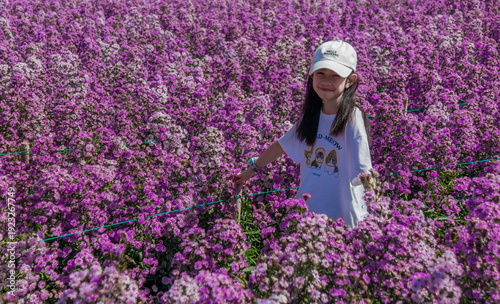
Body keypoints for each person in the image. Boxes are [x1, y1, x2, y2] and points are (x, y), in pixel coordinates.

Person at [234, 40, 373, 229]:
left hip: (343, 220)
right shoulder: (312, 116)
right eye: (320, 73)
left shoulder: (352, 119)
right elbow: (282, 145)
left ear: (350, 81)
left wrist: (377, 214)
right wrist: (252, 169)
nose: (326, 80)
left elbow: (365, 172)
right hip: (308, 214)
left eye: (335, 75)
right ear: (312, 76)